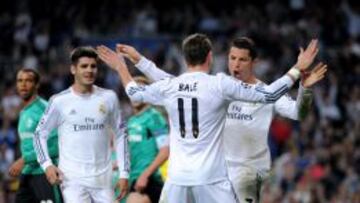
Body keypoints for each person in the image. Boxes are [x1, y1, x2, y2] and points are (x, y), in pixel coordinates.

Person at [96, 33, 320, 203]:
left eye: (242, 59)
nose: (236, 64)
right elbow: (271, 93)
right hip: (212, 177)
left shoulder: (174, 87)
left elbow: (140, 90)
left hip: (192, 176)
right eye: (232, 58)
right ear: (212, 57)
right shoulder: (220, 85)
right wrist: (297, 69)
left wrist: (123, 66)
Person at [33, 46, 130, 203]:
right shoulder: (59, 101)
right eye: (84, 66)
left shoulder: (109, 97)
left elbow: (121, 135)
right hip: (72, 180)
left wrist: (124, 173)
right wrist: (47, 165)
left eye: (93, 66)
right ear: (73, 69)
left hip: (103, 180)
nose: (89, 70)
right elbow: (39, 134)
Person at [9, 68, 62, 203]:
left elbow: (55, 146)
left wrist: (24, 160)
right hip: (27, 174)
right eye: (20, 81)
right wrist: (25, 162)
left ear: (37, 84)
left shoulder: (45, 109)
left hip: (45, 173)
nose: (23, 84)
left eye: (28, 81)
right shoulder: (23, 112)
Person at [124, 76, 169, 203]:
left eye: (140, 90)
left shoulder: (154, 117)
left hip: (150, 179)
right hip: (134, 178)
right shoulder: (131, 121)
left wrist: (145, 175)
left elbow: (165, 151)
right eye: (132, 91)